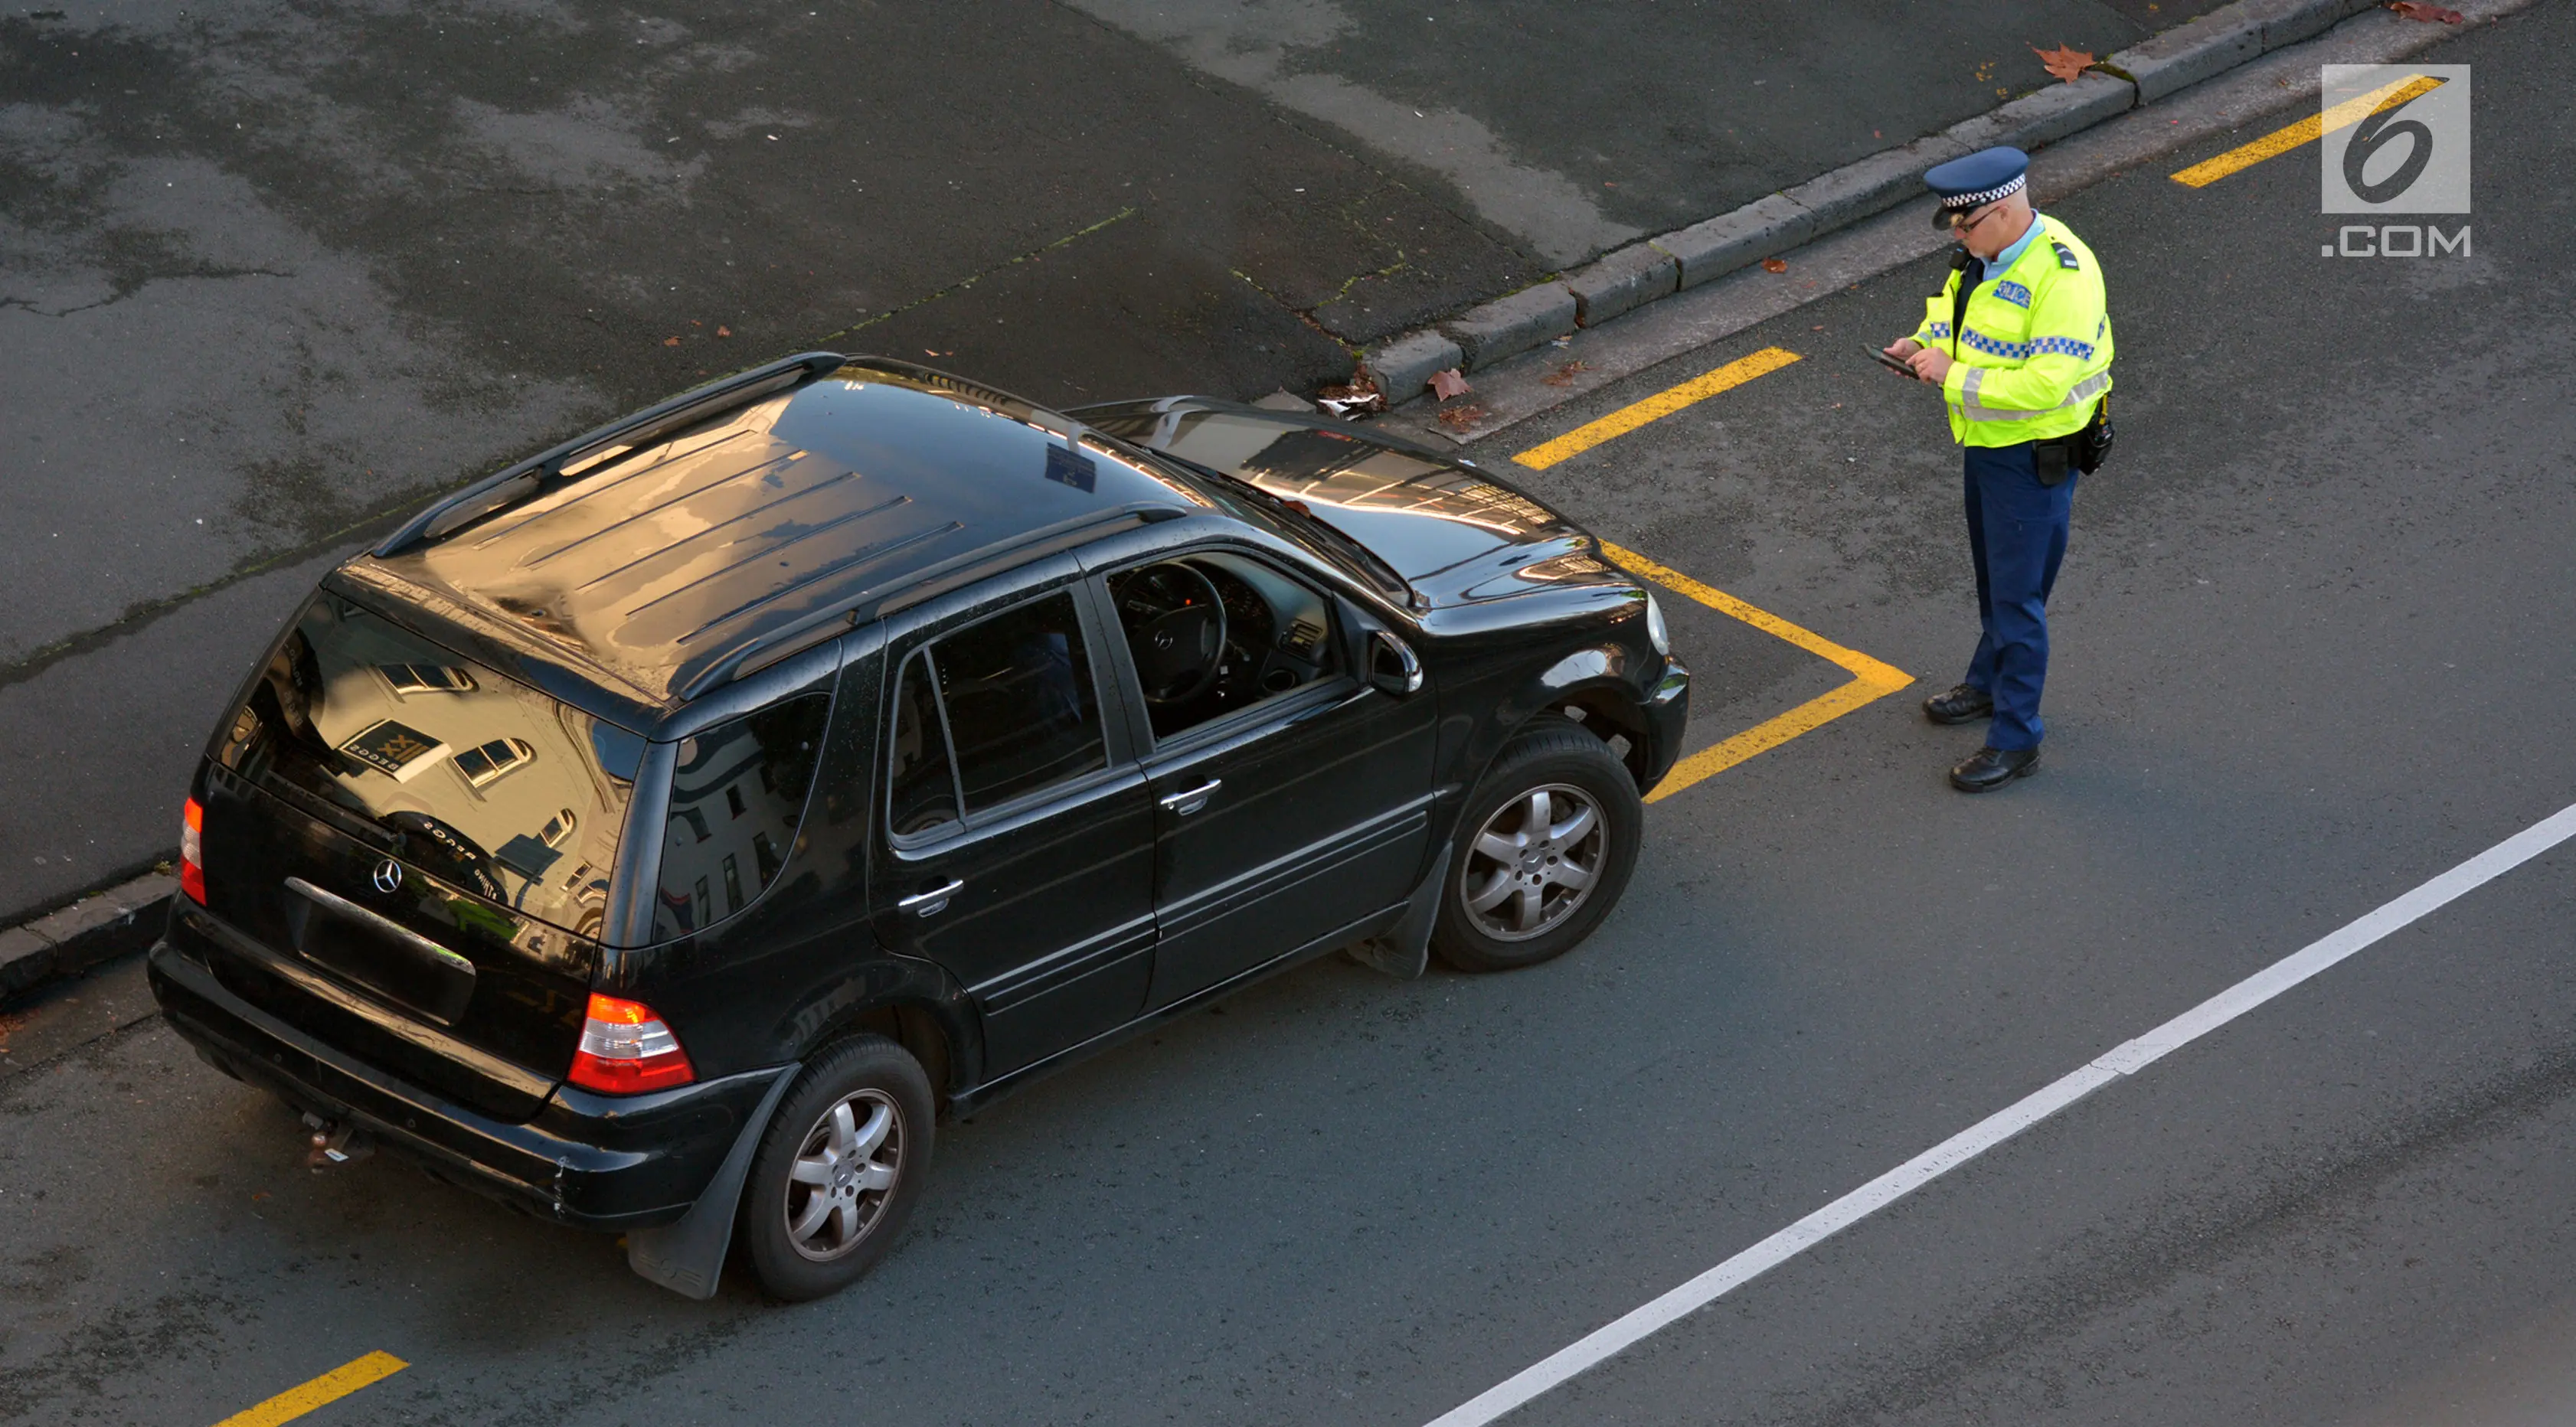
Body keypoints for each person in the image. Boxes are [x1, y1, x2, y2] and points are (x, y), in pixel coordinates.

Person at [1883, 146, 2114, 793]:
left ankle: (2017, 739)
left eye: (1967, 224)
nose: (1957, 237)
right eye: (1954, 226)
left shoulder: (2063, 277)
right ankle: (1986, 686)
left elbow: (2047, 383)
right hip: (1988, 445)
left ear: (2009, 209)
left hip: (2031, 459)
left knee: (2018, 603)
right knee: (1997, 585)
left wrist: (1954, 375)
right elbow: (1951, 310)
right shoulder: (1984, 253)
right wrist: (1923, 346)